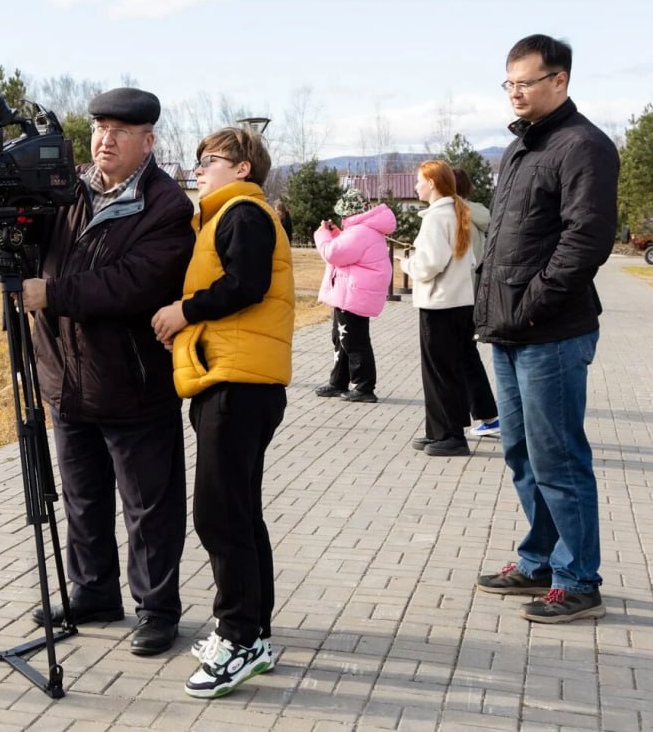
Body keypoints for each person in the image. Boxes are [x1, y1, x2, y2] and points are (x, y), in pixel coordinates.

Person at [0, 87, 195, 656]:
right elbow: (23, 235)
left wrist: (56, 292)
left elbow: (137, 283)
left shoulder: (166, 205)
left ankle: (157, 609)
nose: (106, 139)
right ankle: (93, 592)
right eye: (100, 128)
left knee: (148, 506)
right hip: (65, 379)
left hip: (133, 383)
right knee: (82, 497)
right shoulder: (65, 188)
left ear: (148, 141)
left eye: (121, 130)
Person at [473, 34, 619, 624]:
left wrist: (532, 303)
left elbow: (586, 239)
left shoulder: (583, 146)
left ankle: (579, 579)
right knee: (521, 453)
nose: (515, 93)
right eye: (508, 83)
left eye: (525, 82)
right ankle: (539, 560)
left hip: (551, 333)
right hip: (510, 331)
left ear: (559, 81)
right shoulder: (519, 149)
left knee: (559, 459)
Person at [150, 126, 292, 698]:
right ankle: (251, 629)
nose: (201, 168)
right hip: (233, 380)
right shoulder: (224, 215)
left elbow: (247, 285)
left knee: (218, 513)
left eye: (211, 159)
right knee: (239, 509)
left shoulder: (243, 211)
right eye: (200, 160)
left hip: (238, 383)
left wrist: (185, 311)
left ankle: (238, 639)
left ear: (242, 166)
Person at [401, 160, 478, 458]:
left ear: (432, 183)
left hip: (439, 304)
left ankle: (450, 435)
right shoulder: (456, 212)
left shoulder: (437, 217)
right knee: (449, 369)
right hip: (458, 303)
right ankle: (440, 429)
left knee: (438, 372)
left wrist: (407, 263)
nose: (416, 186)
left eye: (419, 180)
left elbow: (430, 263)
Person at [312, 187, 396, 404]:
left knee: (354, 341)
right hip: (351, 293)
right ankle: (338, 381)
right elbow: (347, 248)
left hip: (353, 295)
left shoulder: (360, 232)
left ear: (349, 214)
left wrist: (322, 234)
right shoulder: (364, 230)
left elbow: (333, 253)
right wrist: (334, 234)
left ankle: (364, 386)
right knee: (341, 339)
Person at [453, 167, 499, 437]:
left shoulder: (454, 214)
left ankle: (486, 414)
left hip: (459, 294)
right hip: (475, 291)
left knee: (464, 356)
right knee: (465, 355)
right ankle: (483, 413)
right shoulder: (478, 212)